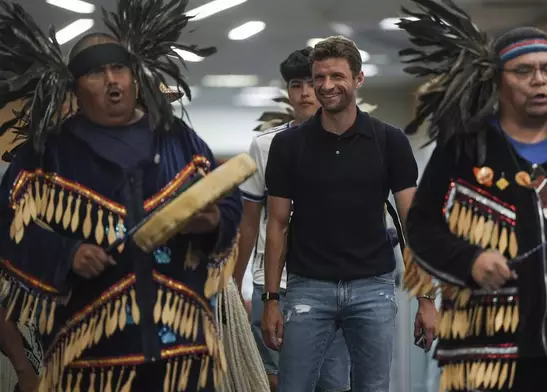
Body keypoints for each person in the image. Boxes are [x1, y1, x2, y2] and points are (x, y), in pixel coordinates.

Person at [0, 1, 244, 390]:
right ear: (74, 87)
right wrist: (67, 254)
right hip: (93, 355)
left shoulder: (178, 139)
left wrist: (213, 220)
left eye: (120, 68)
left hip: (181, 348)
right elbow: (7, 227)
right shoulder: (47, 155)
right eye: (96, 72)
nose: (112, 81)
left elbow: (228, 201)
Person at [398, 0, 547, 390]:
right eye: (524, 71)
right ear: (498, 80)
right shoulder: (464, 150)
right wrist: (471, 260)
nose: (539, 81)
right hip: (490, 349)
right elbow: (422, 227)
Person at [262, 35, 435, 392]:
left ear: (358, 79)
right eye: (319, 77)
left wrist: (426, 299)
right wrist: (271, 299)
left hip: (373, 288)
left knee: (371, 388)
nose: (326, 86)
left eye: (337, 76)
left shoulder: (389, 141)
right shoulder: (289, 145)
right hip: (307, 289)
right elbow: (277, 224)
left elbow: (411, 225)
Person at [234, 47, 351, 392]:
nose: (304, 93)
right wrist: (233, 285)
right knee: (275, 382)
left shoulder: (356, 144)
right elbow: (250, 222)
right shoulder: (266, 145)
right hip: (274, 284)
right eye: (295, 85)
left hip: (335, 284)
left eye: (309, 83)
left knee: (333, 382)